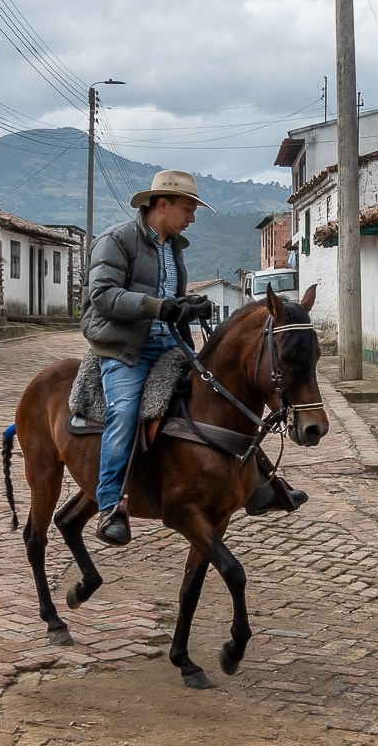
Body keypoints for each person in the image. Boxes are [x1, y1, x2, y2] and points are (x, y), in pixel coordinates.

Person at [81, 169, 302, 546]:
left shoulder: (173, 248)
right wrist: (160, 306)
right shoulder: (116, 240)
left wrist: (186, 306)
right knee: (125, 411)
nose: (193, 217)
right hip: (123, 348)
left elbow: (167, 303)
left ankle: (260, 483)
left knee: (222, 399)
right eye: (188, 208)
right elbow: (101, 295)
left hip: (167, 345)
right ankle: (110, 506)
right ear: (162, 204)